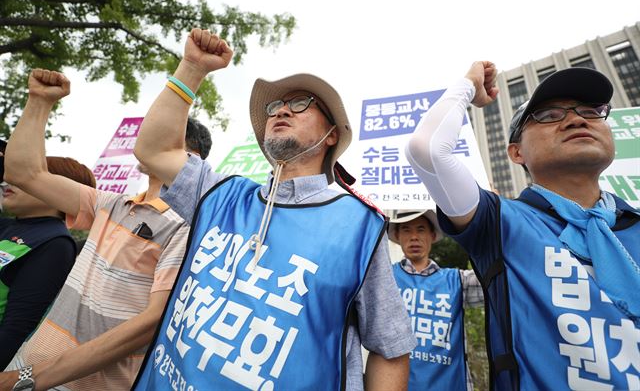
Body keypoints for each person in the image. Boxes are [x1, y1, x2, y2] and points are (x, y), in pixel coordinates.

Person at [131, 28, 415, 391]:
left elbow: (390, 348)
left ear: (331, 135)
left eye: (301, 103)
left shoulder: (358, 226)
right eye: (274, 106)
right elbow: (152, 151)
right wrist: (191, 67)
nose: (281, 109)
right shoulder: (222, 194)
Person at [405, 62, 640, 390]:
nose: (576, 119)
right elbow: (428, 149)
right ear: (516, 152)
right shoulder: (499, 221)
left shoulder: (634, 225)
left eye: (591, 111)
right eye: (547, 115)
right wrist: (468, 86)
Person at [0, 69, 210, 391]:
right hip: (22, 369)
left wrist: (29, 379)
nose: (146, 138)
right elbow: (23, 173)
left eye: (161, 134)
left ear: (189, 158)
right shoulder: (111, 204)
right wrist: (39, 103)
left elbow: (149, 324)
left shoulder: (187, 226)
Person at [0, 156, 95, 369]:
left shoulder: (55, 244)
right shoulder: (7, 225)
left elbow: (15, 329)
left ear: (58, 190)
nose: (11, 180)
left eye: (28, 175)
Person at [389, 210, 483, 391]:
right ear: (397, 236)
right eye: (407, 230)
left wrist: (491, 221)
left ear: (432, 235)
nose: (414, 237)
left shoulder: (457, 281)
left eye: (421, 229)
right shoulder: (384, 278)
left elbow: (498, 281)